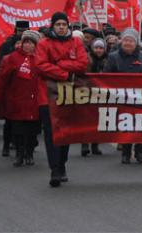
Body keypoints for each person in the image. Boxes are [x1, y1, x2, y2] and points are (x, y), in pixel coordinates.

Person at [36, 12, 89, 187]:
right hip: (48, 96)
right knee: (51, 134)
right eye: (58, 24)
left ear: (68, 26)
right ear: (53, 26)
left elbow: (82, 64)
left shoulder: (76, 42)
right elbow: (41, 65)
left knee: (66, 132)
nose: (61, 27)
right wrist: (65, 73)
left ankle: (62, 164)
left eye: (63, 24)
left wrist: (59, 65)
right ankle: (55, 169)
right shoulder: (44, 43)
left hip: (69, 94)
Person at [0, 30, 43, 167]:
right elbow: (2, 80)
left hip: (35, 101)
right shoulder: (12, 58)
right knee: (18, 130)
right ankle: (20, 154)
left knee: (32, 131)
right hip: (16, 100)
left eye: (31, 43)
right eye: (26, 42)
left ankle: (29, 153)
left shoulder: (41, 58)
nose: (28, 46)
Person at [104, 28, 142, 164]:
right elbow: (106, 76)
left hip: (141, 98)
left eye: (131, 40)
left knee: (141, 126)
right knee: (125, 126)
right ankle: (126, 153)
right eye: (125, 40)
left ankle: (139, 152)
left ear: (136, 43)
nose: (128, 43)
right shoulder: (113, 57)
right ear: (121, 41)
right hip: (122, 98)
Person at [80, 38, 107, 157]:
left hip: (102, 93)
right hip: (87, 92)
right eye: (96, 47)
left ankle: (95, 145)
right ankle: (84, 144)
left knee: (99, 119)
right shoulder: (87, 59)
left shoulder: (108, 59)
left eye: (101, 48)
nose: (98, 50)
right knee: (86, 119)